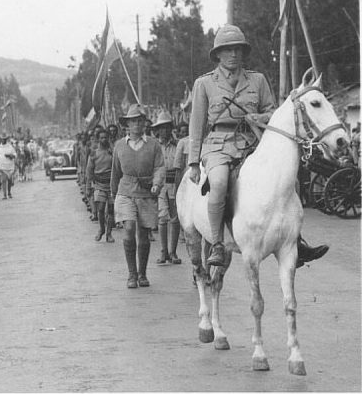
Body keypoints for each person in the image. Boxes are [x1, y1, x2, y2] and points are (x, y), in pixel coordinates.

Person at [188, 24, 328, 268]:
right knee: (219, 183)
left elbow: (272, 112)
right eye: (228, 50)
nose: (233, 54)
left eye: (238, 50)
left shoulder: (257, 79)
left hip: (253, 143)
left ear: (244, 53)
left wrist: (260, 118)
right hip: (219, 145)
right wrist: (193, 162)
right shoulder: (204, 83)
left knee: (288, 181)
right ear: (218, 54)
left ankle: (296, 240)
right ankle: (218, 245)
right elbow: (196, 125)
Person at [111, 104, 165, 288]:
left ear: (145, 124)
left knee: (143, 234)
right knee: (129, 228)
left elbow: (159, 167)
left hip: (146, 193)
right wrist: (113, 195)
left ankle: (142, 274)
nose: (137, 124)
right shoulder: (119, 145)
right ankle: (131, 274)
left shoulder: (153, 144)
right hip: (125, 192)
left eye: (140, 121)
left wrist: (157, 184)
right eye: (133, 121)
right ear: (127, 125)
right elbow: (115, 173)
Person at [152, 111, 182, 264]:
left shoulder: (178, 145)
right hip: (160, 185)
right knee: (162, 218)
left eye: (167, 127)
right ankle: (164, 252)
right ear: (157, 130)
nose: (164, 131)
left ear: (171, 128)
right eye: (161, 128)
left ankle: (173, 251)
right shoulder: (154, 146)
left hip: (174, 183)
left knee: (175, 219)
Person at [87, 129, 115, 243]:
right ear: (98, 139)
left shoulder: (112, 152)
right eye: (101, 137)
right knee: (101, 208)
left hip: (111, 185)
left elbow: (117, 167)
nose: (104, 139)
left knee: (111, 210)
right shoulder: (94, 153)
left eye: (106, 137)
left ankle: (109, 233)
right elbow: (89, 171)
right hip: (99, 185)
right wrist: (88, 187)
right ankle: (101, 229)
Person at [0, 133, 16, 199]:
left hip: (10, 166)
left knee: (9, 180)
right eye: (2, 139)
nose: (3, 140)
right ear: (0, 140)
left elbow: (15, 154)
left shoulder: (10, 146)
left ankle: (9, 192)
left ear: (6, 139)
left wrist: (10, 155)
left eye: (4, 139)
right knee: (3, 180)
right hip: (2, 167)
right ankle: (4, 194)